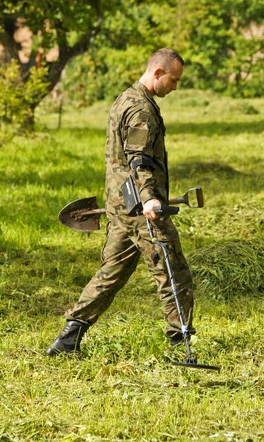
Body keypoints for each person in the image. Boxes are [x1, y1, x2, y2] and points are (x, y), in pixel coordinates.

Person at [46, 48, 195, 356]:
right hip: (140, 207)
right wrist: (150, 200)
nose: (175, 87)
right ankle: (181, 342)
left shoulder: (125, 98)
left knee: (112, 271)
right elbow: (138, 161)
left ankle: (68, 337)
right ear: (157, 73)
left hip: (120, 203)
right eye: (173, 80)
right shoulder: (140, 109)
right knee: (172, 267)